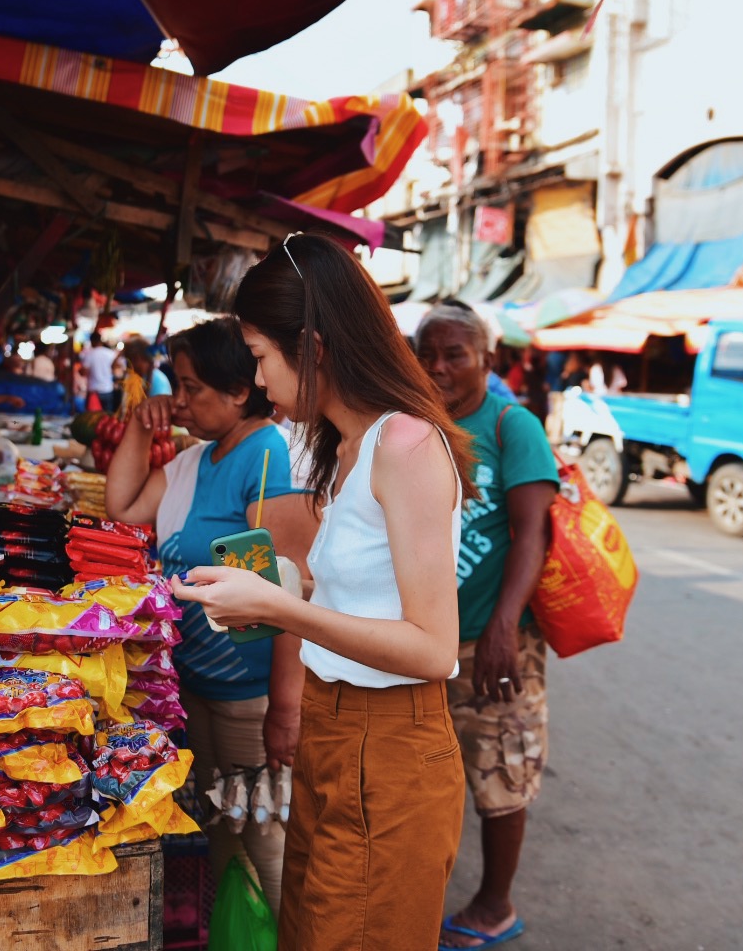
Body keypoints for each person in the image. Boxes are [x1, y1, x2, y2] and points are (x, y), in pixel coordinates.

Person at [174, 234, 478, 951]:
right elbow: (363, 595)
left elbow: (433, 649)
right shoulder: (341, 448)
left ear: (311, 345)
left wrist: (283, 608)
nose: (258, 379)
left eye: (259, 357)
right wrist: (282, 585)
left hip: (394, 747)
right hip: (332, 732)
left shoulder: (405, 445)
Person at [105, 319, 317, 914]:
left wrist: (285, 709)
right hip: (197, 683)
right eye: (178, 383)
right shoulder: (197, 460)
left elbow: (291, 588)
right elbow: (122, 507)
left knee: (263, 836)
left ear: (239, 391)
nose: (181, 399)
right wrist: (140, 427)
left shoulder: (267, 454)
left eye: (193, 387)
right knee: (224, 825)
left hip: (251, 695)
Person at [417, 302, 560, 950]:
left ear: (485, 360)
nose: (439, 367)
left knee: (500, 772)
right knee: (430, 774)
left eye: (455, 354)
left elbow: (534, 534)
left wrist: (505, 624)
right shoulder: (414, 423)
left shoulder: (511, 425)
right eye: (429, 353)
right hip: (425, 642)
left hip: (493, 641)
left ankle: (495, 904)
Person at [80, 332, 119, 411]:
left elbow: (84, 373)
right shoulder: (110, 353)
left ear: (92, 341)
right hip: (107, 389)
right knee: (107, 418)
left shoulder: (89, 354)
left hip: (93, 391)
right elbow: (116, 370)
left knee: (92, 419)